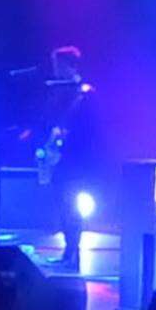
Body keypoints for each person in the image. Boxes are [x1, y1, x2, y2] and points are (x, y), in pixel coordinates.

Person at [34, 47, 100, 268]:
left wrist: (65, 135)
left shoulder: (84, 92)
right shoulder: (58, 91)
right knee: (61, 204)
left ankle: (72, 252)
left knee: (71, 205)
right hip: (59, 156)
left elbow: (87, 127)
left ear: (69, 65)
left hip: (77, 159)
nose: (55, 70)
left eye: (58, 66)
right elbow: (49, 118)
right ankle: (68, 251)